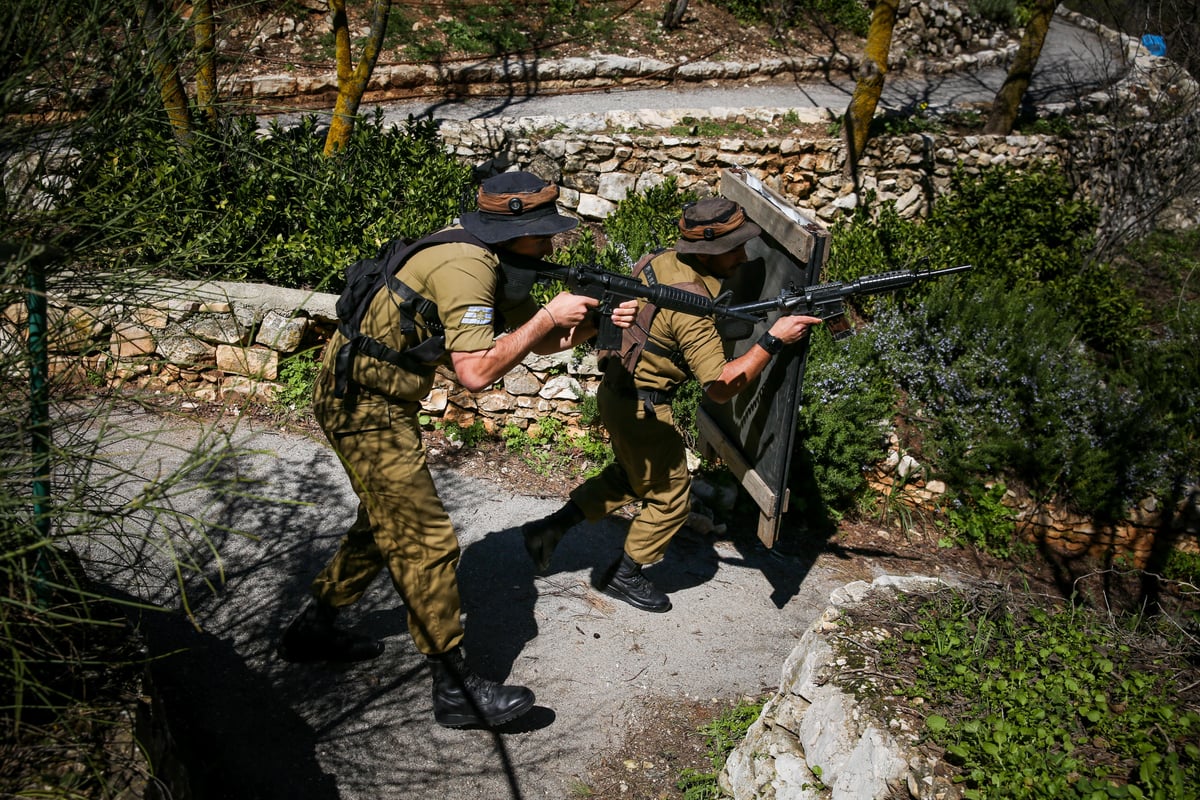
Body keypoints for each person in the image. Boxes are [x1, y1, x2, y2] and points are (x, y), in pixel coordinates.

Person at [277, 171, 636, 729]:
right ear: (510, 229)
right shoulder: (466, 267)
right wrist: (547, 314)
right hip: (363, 405)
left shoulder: (487, 258)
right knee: (425, 538)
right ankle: (454, 691)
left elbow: (529, 344)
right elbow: (476, 372)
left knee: (383, 524)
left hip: (374, 397)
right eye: (542, 234)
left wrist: (591, 326)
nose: (549, 245)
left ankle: (313, 628)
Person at [520, 196, 822, 613]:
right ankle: (624, 575)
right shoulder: (690, 309)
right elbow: (719, 385)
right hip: (644, 408)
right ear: (707, 251)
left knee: (631, 475)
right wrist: (774, 339)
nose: (743, 254)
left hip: (618, 393)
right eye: (733, 247)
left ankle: (550, 529)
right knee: (671, 496)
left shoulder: (658, 260)